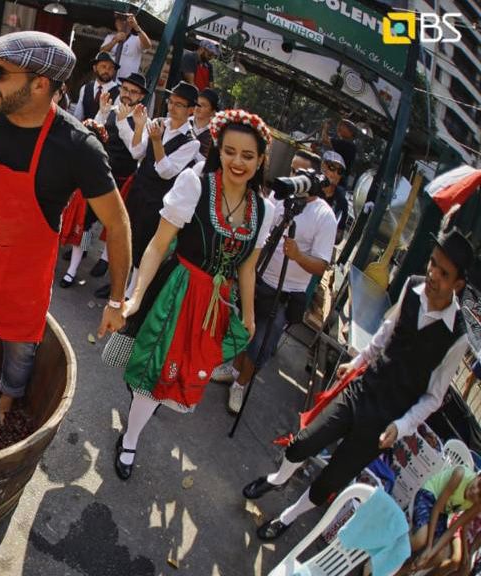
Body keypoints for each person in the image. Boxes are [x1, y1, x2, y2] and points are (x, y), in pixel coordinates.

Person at [0, 31, 132, 425]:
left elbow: (117, 224)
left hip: (23, 275)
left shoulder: (78, 147)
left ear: (40, 84)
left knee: (20, 355)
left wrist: (117, 301)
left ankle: (7, 398)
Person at [244, 219, 472, 541]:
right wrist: (358, 361)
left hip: (386, 421)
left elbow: (434, 396)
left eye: (444, 273)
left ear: (458, 284)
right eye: (433, 263)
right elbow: (386, 334)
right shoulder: (413, 286)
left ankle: (287, 517)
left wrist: (402, 427)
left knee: (331, 480)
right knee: (304, 442)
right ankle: (278, 478)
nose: (433, 274)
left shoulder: (458, 335)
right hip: (363, 389)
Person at [112, 109, 274, 480]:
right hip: (177, 289)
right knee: (154, 372)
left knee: (176, 372)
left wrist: (247, 315)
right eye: (230, 151)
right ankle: (130, 440)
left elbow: (247, 266)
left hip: (213, 305)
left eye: (248, 156)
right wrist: (137, 294)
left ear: (261, 160)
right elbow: (158, 244)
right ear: (218, 148)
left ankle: (137, 414)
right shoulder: (195, 183)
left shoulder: (263, 209)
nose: (238, 161)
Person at [211, 155, 337, 414]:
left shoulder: (325, 216)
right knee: (243, 328)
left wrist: (299, 256)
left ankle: (241, 384)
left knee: (260, 344)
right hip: (257, 278)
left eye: (300, 173)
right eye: (292, 169)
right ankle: (233, 369)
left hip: (284, 293)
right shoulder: (281, 198)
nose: (294, 177)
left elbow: (321, 265)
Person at [95, 81, 201, 300]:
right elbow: (136, 152)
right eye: (171, 102)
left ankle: (130, 294)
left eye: (179, 105)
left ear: (191, 110)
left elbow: (166, 171)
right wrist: (138, 126)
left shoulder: (192, 142)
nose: (172, 108)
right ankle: (117, 284)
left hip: (157, 201)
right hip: (139, 190)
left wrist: (156, 141)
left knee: (144, 246)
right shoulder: (158, 123)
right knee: (126, 237)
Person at [65, 72, 148, 286]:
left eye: (134, 92)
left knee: (114, 225)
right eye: (126, 89)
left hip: (123, 179)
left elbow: (137, 152)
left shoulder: (143, 122)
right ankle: (73, 267)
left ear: (140, 96)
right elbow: (95, 132)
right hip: (101, 174)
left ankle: (104, 259)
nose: (128, 94)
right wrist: (102, 113)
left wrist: (122, 122)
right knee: (86, 222)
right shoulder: (109, 110)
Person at [397, 465, 481, 575]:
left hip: (442, 512)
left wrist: (429, 554)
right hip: (429, 496)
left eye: (480, 496)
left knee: (440, 556)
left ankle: (397, 572)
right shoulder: (460, 475)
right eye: (479, 485)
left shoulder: (477, 505)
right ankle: (388, 553)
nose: (475, 491)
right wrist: (429, 547)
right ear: (479, 476)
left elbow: (452, 529)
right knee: (420, 539)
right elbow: (436, 508)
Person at [99, 11, 152, 78]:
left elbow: (148, 45)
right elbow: (101, 52)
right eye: (120, 21)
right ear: (116, 23)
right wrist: (115, 40)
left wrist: (136, 26)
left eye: (125, 21)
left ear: (131, 25)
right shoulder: (110, 37)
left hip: (126, 83)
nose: (123, 23)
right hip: (109, 79)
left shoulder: (136, 39)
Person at [72, 52, 120, 122]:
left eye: (111, 68)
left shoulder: (119, 92)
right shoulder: (85, 88)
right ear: (95, 68)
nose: (107, 70)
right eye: (103, 66)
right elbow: (78, 116)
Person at [320, 150, 350, 242]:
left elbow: (339, 236)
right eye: (332, 167)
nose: (335, 174)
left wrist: (331, 233)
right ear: (323, 167)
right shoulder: (311, 189)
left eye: (340, 171)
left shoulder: (342, 202)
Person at [190, 88, 219, 162]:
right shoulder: (184, 123)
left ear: (213, 112)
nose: (197, 108)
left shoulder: (215, 134)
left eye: (203, 105)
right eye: (197, 103)